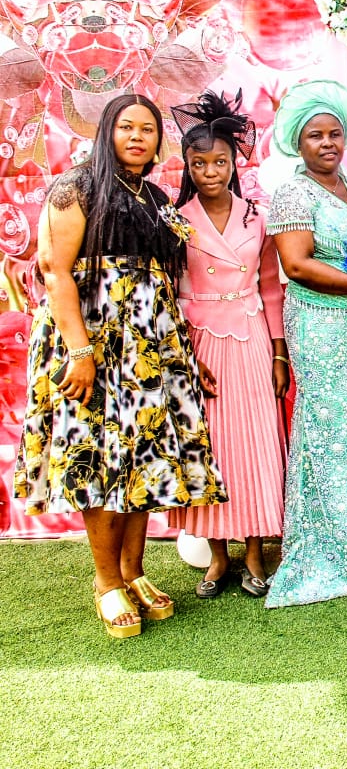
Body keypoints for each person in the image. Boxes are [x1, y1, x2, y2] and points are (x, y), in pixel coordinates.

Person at [15, 93, 224, 637]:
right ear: (107, 131)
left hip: (149, 348)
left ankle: (133, 571)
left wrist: (182, 353)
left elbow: (161, 282)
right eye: (126, 127)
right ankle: (106, 582)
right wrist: (80, 353)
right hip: (93, 346)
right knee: (100, 461)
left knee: (142, 460)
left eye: (147, 129)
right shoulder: (76, 187)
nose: (137, 137)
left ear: (157, 142)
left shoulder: (154, 196)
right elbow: (54, 271)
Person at [264, 79, 347, 608]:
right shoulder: (293, 193)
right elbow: (297, 265)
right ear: (297, 143)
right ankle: (327, 551)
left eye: (334, 134)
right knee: (330, 431)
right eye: (315, 135)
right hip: (320, 324)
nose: (327, 143)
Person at [166, 90, 288, 599]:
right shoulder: (176, 219)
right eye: (199, 163)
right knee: (210, 447)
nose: (210, 171)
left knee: (255, 444)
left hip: (252, 338)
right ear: (188, 166)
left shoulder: (256, 217)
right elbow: (171, 293)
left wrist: (279, 352)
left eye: (220, 161)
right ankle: (218, 557)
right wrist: (183, 357)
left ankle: (255, 552)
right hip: (200, 344)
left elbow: (270, 287)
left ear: (235, 162)